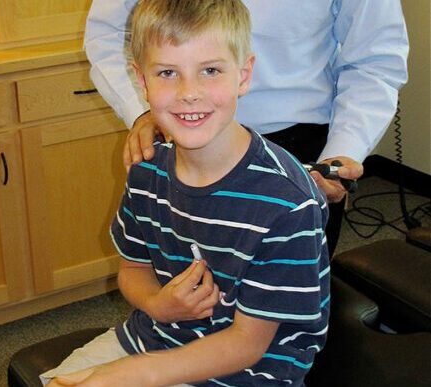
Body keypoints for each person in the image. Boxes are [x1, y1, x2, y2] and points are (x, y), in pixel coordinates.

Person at [41, 1, 329, 386]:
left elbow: (247, 344)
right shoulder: (146, 169)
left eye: (210, 70)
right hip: (153, 339)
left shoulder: (287, 200)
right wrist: (156, 304)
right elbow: (133, 270)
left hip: (246, 371)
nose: (189, 92)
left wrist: (136, 375)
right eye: (167, 73)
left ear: (243, 75)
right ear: (142, 82)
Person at [84, 0, 409, 257]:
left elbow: (374, 59)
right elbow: (107, 33)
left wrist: (343, 152)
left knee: (284, 311)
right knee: (176, 289)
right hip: (183, 139)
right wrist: (141, 110)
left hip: (299, 153)